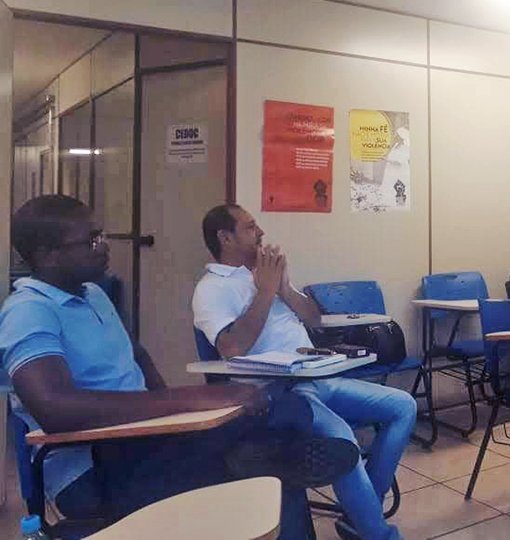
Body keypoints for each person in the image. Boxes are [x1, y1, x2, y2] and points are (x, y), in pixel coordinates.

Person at [0, 195, 358, 540]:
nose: (104, 246)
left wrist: (173, 414)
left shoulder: (93, 293)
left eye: (102, 235)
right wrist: (189, 400)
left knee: (288, 413)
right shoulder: (28, 311)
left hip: (144, 441)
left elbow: (136, 354)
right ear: (47, 255)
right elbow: (56, 409)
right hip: (95, 466)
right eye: (92, 240)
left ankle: (260, 454)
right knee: (276, 467)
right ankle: (257, 455)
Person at [193, 204, 417, 540]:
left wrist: (283, 288)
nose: (261, 233)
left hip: (317, 378)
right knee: (343, 438)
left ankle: (361, 514)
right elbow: (232, 347)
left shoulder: (266, 274)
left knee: (403, 406)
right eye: (251, 228)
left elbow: (314, 319)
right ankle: (378, 533)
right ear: (225, 238)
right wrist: (265, 292)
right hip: (276, 393)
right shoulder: (211, 289)